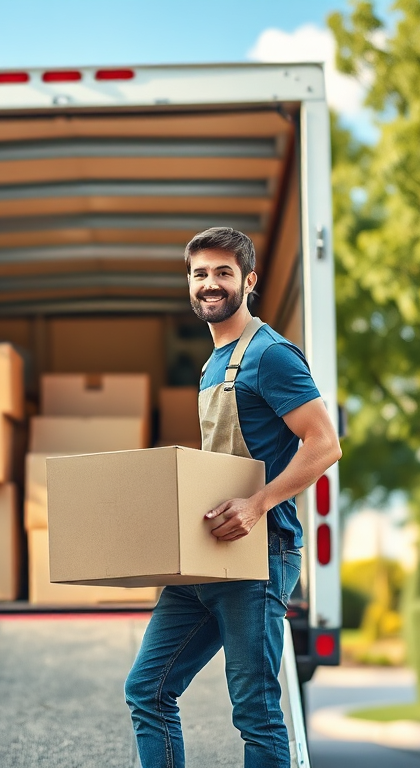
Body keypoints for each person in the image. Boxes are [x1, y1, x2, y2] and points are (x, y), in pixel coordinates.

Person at [124, 227, 342, 767]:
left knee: (257, 715)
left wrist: (257, 503)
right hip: (206, 558)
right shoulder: (212, 365)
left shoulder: (270, 355)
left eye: (223, 273)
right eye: (199, 274)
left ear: (248, 280)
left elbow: (325, 443)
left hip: (258, 557)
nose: (209, 284)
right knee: (147, 689)